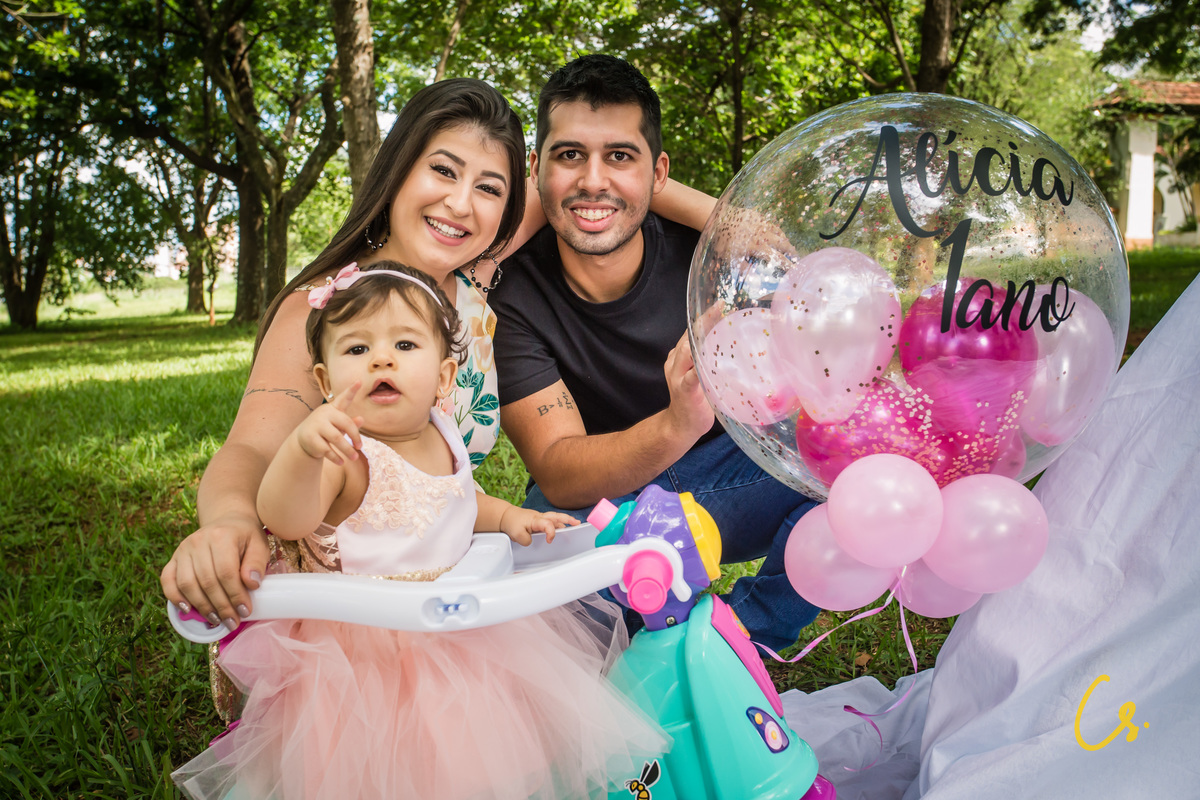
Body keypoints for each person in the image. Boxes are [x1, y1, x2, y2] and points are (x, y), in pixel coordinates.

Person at [160, 77, 709, 635]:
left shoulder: (477, 280)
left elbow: (591, 185)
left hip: (448, 588)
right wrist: (227, 522)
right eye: (442, 171)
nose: (460, 203)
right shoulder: (328, 308)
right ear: (398, 169)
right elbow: (250, 447)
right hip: (338, 609)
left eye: (490, 188)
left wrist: (730, 223)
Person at [172, 264, 667, 800]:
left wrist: (508, 517)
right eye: (357, 350)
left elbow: (455, 501)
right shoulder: (344, 458)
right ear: (323, 381)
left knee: (484, 759)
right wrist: (301, 450)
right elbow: (286, 516)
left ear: (443, 377)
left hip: (465, 634)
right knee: (379, 775)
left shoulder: (442, 431)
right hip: (364, 661)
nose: (381, 359)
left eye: (405, 345)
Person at [488, 54, 822, 651]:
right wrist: (675, 424)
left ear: (658, 171)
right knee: (535, 616)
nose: (593, 180)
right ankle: (643, 613)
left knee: (841, 465)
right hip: (602, 497)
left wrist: (716, 216)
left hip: (735, 477)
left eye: (620, 156)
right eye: (570, 156)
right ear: (536, 168)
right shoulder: (509, 292)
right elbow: (561, 471)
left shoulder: (718, 254)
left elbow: (819, 340)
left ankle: (742, 639)